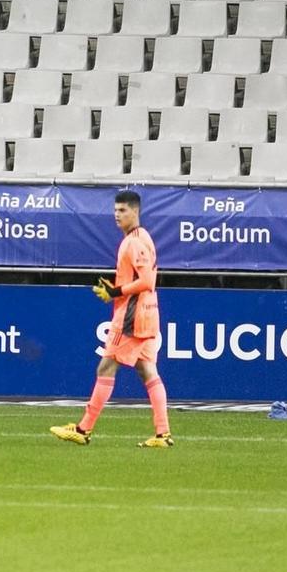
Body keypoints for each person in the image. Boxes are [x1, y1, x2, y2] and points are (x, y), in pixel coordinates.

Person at [50, 189, 173, 448]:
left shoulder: (134, 242)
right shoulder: (142, 237)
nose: (117, 215)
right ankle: (163, 434)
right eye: (115, 210)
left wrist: (116, 291)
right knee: (147, 370)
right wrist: (116, 288)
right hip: (149, 313)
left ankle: (83, 429)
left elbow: (147, 281)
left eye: (122, 210)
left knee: (105, 367)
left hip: (133, 316)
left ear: (135, 212)